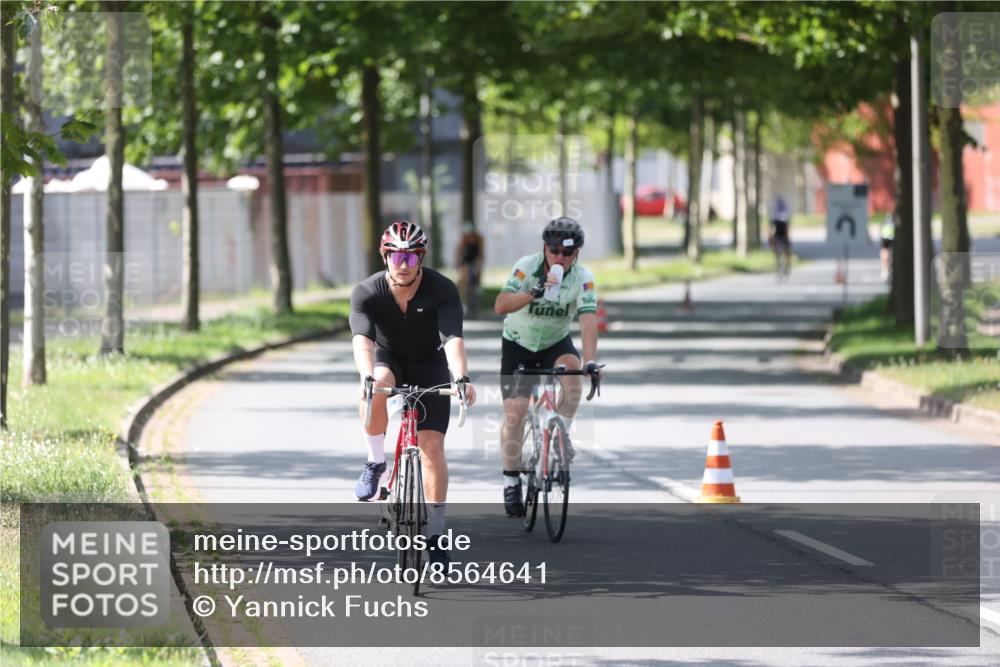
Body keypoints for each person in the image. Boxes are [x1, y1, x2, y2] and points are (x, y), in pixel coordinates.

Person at [349, 220, 477, 566]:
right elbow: (362, 340)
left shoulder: (442, 289)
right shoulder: (367, 292)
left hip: (429, 364)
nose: (403, 266)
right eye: (396, 257)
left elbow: (452, 339)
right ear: (384, 256)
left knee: (431, 448)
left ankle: (435, 534)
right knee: (376, 384)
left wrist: (461, 378)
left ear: (421, 258)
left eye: (411, 258)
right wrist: (366, 377)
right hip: (387, 359)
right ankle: (376, 463)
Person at [493, 217, 602, 517]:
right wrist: (533, 292)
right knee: (514, 414)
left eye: (567, 253)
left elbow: (588, 318)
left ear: (576, 254)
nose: (560, 258)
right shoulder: (526, 267)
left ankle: (561, 434)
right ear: (545, 248)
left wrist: (590, 361)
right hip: (518, 344)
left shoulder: (583, 278)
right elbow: (500, 305)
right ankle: (511, 480)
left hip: (555, 342)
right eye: (554, 251)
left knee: (574, 369)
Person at [455, 222, 485, 317]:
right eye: (469, 235)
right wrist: (457, 262)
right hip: (466, 259)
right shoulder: (464, 239)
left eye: (472, 234)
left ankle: (477, 289)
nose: (470, 236)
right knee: (465, 279)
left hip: (475, 259)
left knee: (477, 276)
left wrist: (478, 266)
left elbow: (481, 253)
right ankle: (463, 301)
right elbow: (459, 251)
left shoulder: (479, 239)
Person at [770, 195, 792, 273]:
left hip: (781, 231)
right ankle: (782, 259)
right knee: (782, 247)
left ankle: (786, 262)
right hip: (779, 232)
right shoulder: (776, 216)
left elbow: (785, 229)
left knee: (785, 248)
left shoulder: (780, 216)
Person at [880, 212, 895, 282]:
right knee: (885, 252)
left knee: (884, 252)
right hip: (888, 234)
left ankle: (885, 271)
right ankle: (885, 270)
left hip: (886, 234)